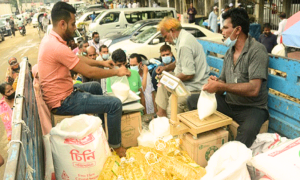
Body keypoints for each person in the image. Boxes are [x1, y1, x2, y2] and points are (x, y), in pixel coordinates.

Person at [38, 2, 131, 157]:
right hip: (63, 101)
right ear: (62, 24)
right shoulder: (56, 47)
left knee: (94, 87)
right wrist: (117, 72)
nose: (75, 27)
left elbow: (78, 59)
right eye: (73, 24)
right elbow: (89, 71)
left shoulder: (51, 40)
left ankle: (101, 131)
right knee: (114, 104)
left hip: (62, 93)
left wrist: (102, 63)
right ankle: (116, 147)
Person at [196, 8, 269, 148]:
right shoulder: (230, 52)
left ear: (237, 30)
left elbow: (254, 89)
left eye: (225, 27)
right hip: (230, 104)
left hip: (252, 108)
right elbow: (222, 82)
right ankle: (208, 144)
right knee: (192, 101)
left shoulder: (257, 50)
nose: (222, 31)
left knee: (246, 133)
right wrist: (215, 84)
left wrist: (221, 86)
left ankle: (227, 161)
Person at [156, 17, 210, 118]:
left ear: (172, 30)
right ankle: (161, 114)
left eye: (166, 37)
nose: (166, 40)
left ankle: (171, 124)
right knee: (162, 82)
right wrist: (165, 68)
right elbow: (180, 61)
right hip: (186, 81)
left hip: (195, 86)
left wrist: (171, 80)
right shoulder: (182, 38)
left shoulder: (184, 44)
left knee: (174, 101)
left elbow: (189, 74)